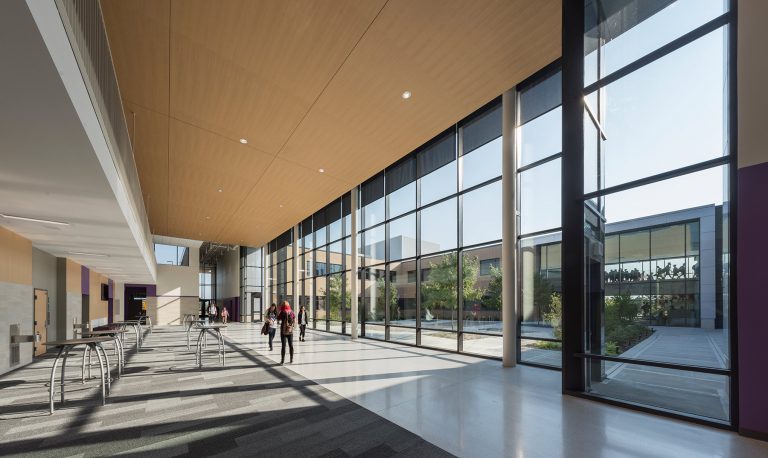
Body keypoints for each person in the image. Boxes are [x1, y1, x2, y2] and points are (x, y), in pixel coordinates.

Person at [277, 300, 295, 365]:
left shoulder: (283, 312)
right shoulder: (292, 312)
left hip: (283, 331)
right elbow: (294, 319)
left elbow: (278, 318)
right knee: (291, 345)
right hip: (290, 331)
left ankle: (282, 360)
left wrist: (279, 312)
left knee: (283, 346)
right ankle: (291, 359)